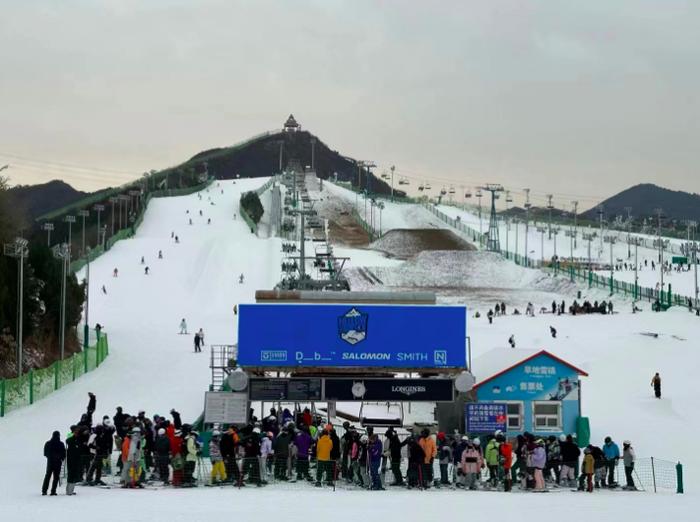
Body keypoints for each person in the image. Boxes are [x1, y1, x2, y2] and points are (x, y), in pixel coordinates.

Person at [42, 431, 66, 496]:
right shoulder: (61, 444)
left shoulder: (48, 443)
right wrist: (60, 458)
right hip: (58, 463)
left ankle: (44, 490)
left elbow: (45, 453)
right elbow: (64, 453)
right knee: (56, 477)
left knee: (47, 476)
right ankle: (53, 491)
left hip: (50, 462)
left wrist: (49, 457)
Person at [65, 426, 82, 495]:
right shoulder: (71, 436)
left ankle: (70, 490)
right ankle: (69, 491)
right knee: (71, 474)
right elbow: (68, 441)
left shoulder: (78, 437)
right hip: (72, 458)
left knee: (74, 475)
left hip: (76, 458)